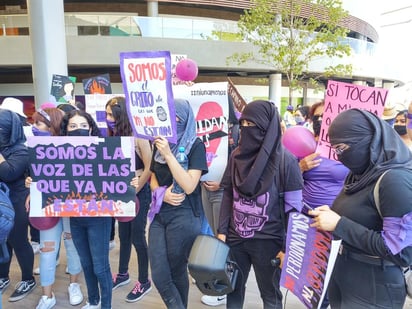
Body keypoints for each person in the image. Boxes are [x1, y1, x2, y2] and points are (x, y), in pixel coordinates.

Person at [310, 108, 412, 308]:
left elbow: (400, 252)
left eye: (342, 148)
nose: (339, 156)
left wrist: (339, 224)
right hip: (344, 273)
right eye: (335, 149)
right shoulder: (360, 173)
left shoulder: (394, 180)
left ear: (368, 141)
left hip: (374, 283)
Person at [217, 100, 303, 309]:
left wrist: (287, 247)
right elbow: (228, 192)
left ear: (267, 127)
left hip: (270, 241)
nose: (246, 129)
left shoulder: (286, 161)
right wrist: (222, 231)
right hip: (236, 237)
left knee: (270, 296)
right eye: (243, 124)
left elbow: (294, 209)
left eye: (252, 125)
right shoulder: (237, 156)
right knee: (233, 291)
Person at [149, 98, 208, 309]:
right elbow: (153, 175)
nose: (170, 123)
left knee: (176, 270)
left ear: (185, 120)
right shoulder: (158, 142)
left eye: (175, 118)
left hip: (184, 215)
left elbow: (190, 185)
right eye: (166, 117)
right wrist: (159, 192)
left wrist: (168, 154)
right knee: (159, 274)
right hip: (159, 211)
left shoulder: (196, 145)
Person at [25, 108, 84, 309]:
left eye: (39, 123)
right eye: (34, 123)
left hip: (71, 207)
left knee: (73, 248)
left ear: (53, 126)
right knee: (47, 250)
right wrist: (30, 184)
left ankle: (74, 284)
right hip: (48, 208)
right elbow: (34, 175)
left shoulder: (76, 147)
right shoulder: (33, 148)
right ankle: (47, 296)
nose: (34, 127)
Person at [60, 109, 113, 309]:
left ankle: (106, 305)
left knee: (100, 267)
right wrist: (35, 182)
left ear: (91, 129)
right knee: (87, 264)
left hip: (99, 216)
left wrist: (128, 180)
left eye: (83, 126)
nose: (78, 130)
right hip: (75, 217)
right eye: (73, 126)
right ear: (66, 131)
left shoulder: (103, 151)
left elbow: (115, 177)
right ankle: (93, 301)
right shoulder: (59, 155)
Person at [105, 96, 153, 302]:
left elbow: (150, 166)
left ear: (121, 114)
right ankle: (123, 274)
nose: (107, 118)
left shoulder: (139, 136)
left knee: (137, 237)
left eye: (111, 114)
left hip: (138, 192)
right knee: (123, 235)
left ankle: (144, 281)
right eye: (106, 114)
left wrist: (137, 187)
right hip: (121, 191)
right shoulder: (114, 134)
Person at [200, 97, 239, 307]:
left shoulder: (235, 133)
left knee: (223, 239)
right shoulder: (202, 130)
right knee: (216, 237)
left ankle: (224, 285)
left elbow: (240, 166)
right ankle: (220, 282)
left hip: (222, 192)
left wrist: (223, 184)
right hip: (205, 189)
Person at [0, 109, 36, 302]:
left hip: (16, 201)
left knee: (18, 240)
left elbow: (8, 173)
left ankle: (28, 279)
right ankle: (2, 276)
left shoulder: (21, 149)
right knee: (1, 240)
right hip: (1, 202)